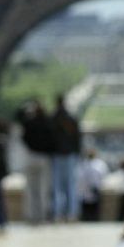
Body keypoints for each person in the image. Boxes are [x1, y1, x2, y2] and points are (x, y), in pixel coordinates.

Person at [18, 101, 54, 223]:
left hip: (30, 156)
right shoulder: (47, 123)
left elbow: (23, 136)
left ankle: (31, 215)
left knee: (30, 188)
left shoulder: (29, 122)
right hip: (43, 157)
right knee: (43, 188)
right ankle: (42, 215)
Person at [51, 94, 82, 222]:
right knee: (71, 185)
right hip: (69, 154)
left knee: (57, 186)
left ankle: (58, 213)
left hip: (57, 154)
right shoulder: (71, 119)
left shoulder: (53, 119)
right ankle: (72, 213)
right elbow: (77, 138)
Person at [77, 147, 109, 222]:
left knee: (93, 209)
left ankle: (92, 219)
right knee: (88, 209)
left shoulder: (98, 164)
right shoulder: (85, 164)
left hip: (93, 189)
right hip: (87, 190)